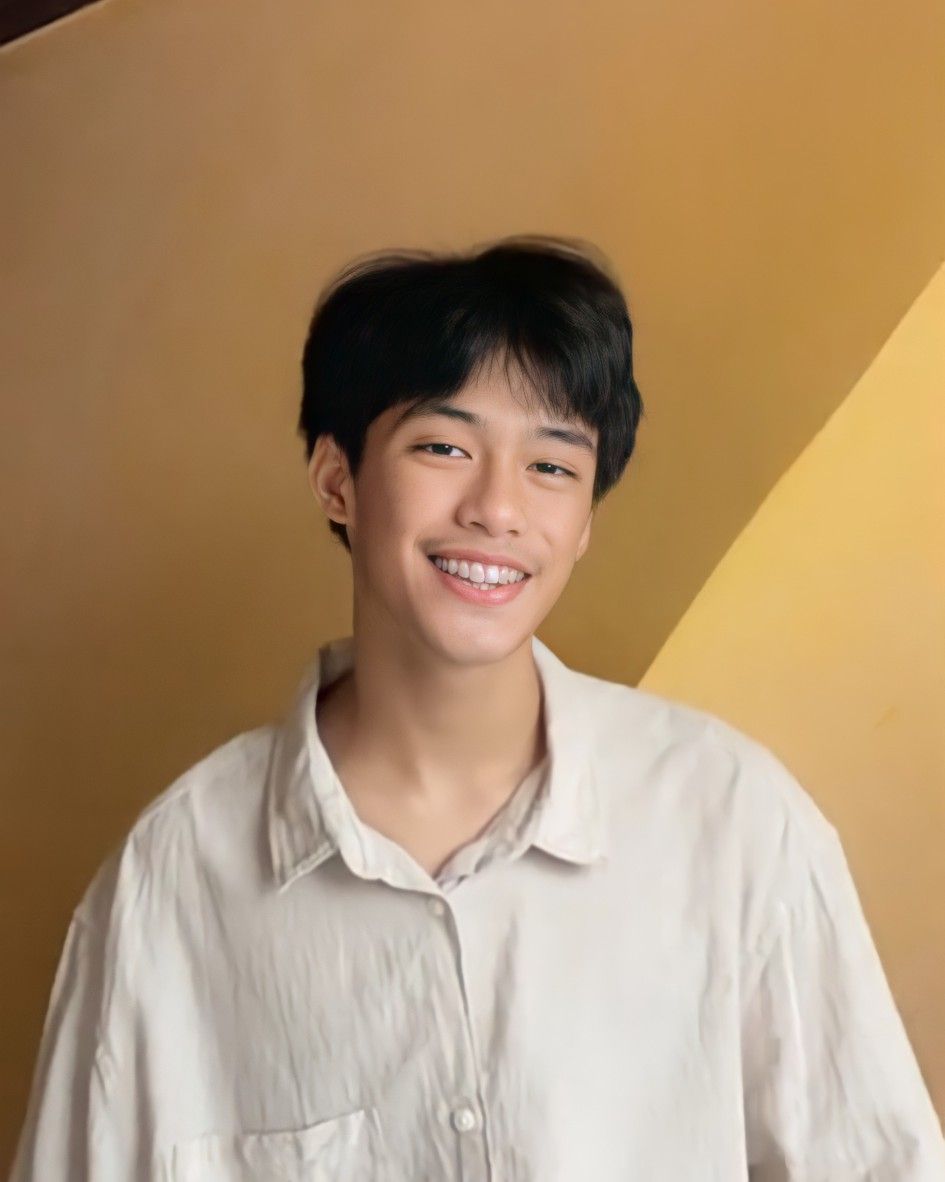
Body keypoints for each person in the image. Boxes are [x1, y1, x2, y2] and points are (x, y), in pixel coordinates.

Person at [10, 236, 945, 1181]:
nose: (497, 509)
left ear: (583, 521)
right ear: (337, 480)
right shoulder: (173, 878)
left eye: (551, 467)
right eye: (444, 447)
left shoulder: (729, 818)